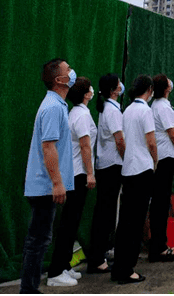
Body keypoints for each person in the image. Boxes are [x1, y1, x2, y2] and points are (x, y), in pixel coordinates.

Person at [20, 59, 77, 294]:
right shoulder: (53, 107)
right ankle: (29, 290)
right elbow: (48, 147)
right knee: (38, 241)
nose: (72, 73)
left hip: (45, 185)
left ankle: (30, 288)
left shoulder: (57, 105)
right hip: (44, 186)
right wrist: (57, 183)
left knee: (40, 239)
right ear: (59, 80)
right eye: (68, 70)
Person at [47, 77, 97, 286]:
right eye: (89, 88)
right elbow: (85, 146)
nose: (93, 91)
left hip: (74, 173)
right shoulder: (82, 115)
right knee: (69, 223)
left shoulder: (75, 113)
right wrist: (90, 173)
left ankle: (65, 265)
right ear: (86, 94)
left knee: (72, 221)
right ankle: (55, 272)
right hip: (78, 174)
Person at [111, 75, 157, 285]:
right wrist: (154, 162)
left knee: (125, 222)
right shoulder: (145, 111)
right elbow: (151, 142)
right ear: (149, 89)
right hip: (142, 169)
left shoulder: (127, 109)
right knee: (136, 221)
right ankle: (127, 269)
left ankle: (119, 267)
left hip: (129, 169)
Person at [87, 73, 126, 274]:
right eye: (119, 83)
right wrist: (127, 160)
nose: (122, 86)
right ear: (114, 89)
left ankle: (100, 253)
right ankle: (96, 259)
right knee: (105, 213)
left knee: (105, 212)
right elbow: (120, 140)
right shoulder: (112, 111)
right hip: (112, 166)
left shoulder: (109, 109)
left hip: (106, 165)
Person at [148, 74, 174, 262]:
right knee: (160, 203)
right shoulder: (161, 107)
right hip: (165, 157)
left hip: (163, 157)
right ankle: (158, 247)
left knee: (160, 202)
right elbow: (173, 134)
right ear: (166, 88)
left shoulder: (160, 106)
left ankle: (158, 244)